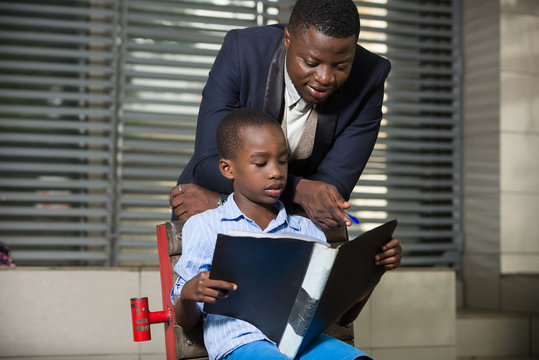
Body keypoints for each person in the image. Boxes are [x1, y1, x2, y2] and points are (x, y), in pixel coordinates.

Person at [172, 108, 397, 360]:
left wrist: (371, 272)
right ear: (228, 168)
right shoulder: (206, 226)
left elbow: (344, 317)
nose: (276, 172)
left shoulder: (306, 230)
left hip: (303, 343)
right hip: (242, 343)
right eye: (260, 163)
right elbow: (186, 320)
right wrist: (189, 295)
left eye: (282, 161)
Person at [169, 0, 391, 231]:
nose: (325, 77)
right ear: (288, 39)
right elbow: (208, 163)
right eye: (311, 62)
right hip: (203, 214)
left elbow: (329, 192)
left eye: (341, 66)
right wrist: (301, 190)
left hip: (290, 225)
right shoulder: (242, 51)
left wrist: (220, 201)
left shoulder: (371, 77)